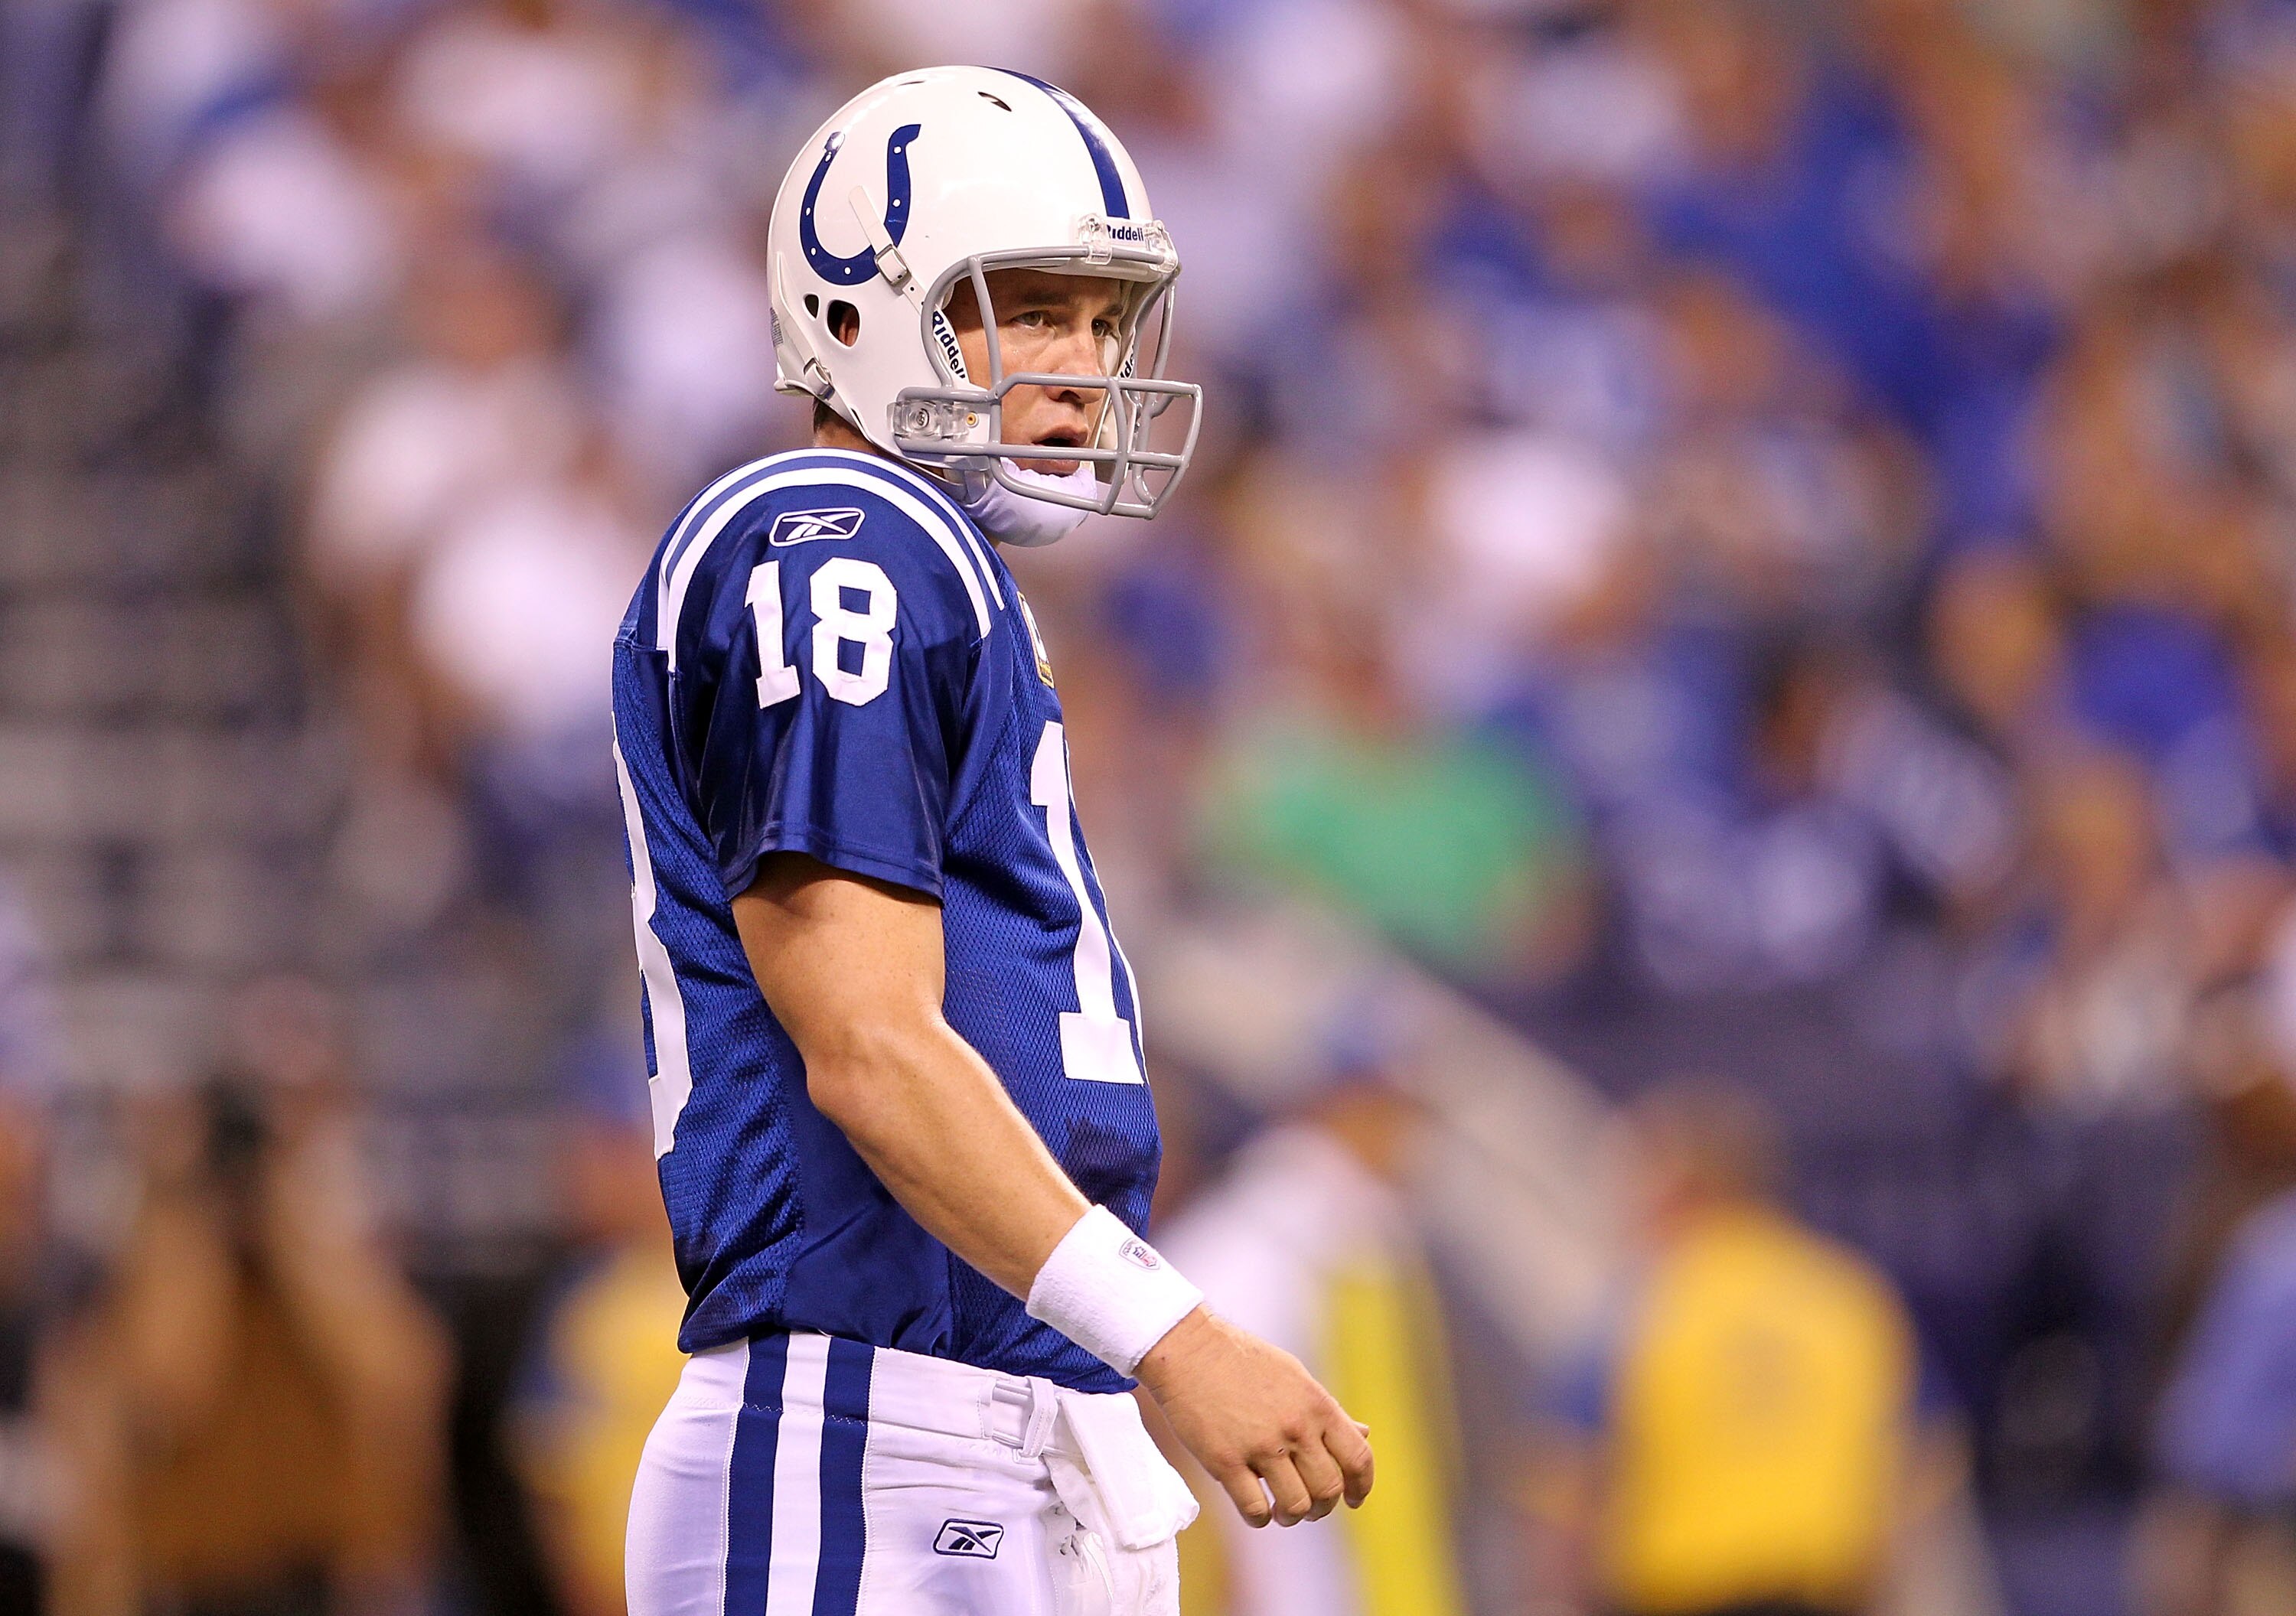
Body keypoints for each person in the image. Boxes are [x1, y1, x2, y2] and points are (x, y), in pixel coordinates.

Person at [611, 67, 1373, 1616]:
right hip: (876, 1443)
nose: (1084, 369)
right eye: (1028, 310)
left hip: (1004, 1427)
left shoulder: (944, 573)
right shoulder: (835, 541)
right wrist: (1169, 1331)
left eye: (1102, 323)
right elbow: (871, 1045)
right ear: (854, 310)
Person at [1524, 1081, 1942, 1616]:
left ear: (1681, 1190)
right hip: (1827, 1596)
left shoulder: (1640, 1307)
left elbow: (1566, 1482)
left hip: (1679, 1597)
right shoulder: (1848, 1298)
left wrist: (1556, 1599)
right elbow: (1920, 1468)